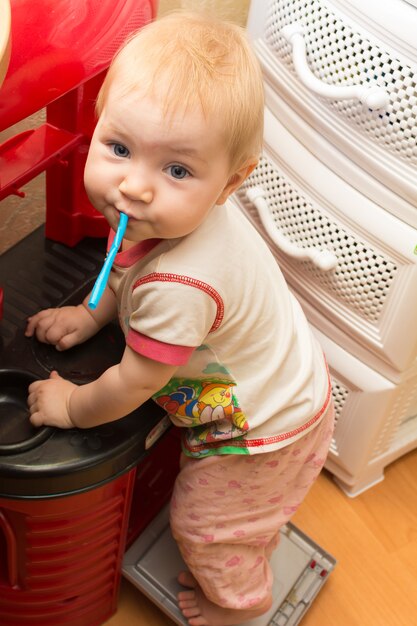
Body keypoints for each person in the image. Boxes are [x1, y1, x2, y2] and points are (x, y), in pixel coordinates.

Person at [25, 11, 334, 626]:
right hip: (285, 384)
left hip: (263, 434)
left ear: (230, 182)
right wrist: (93, 315)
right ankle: (253, 531)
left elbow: (133, 382)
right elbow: (124, 264)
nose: (134, 187)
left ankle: (241, 604)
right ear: (99, 125)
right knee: (243, 519)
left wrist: (70, 406)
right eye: (119, 148)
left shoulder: (181, 286)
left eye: (176, 170)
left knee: (205, 527)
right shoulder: (173, 218)